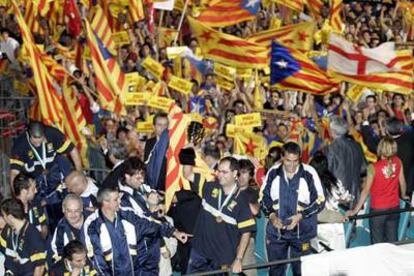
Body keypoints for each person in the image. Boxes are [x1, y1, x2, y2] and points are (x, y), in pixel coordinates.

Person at [83, 187, 190, 275]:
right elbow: (96, 258)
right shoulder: (92, 224)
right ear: (105, 203)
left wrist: (175, 233)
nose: (120, 201)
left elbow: (150, 225)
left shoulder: (127, 214)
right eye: (116, 199)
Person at [180, 152, 256, 274]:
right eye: (219, 171)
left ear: (235, 174)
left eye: (224, 172)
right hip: (199, 252)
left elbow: (246, 232)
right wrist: (189, 149)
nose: (219, 175)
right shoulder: (209, 187)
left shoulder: (242, 201)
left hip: (222, 259)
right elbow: (187, 174)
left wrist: (239, 258)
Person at [261, 142, 325, 276]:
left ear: (300, 158)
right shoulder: (273, 172)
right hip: (276, 233)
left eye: (295, 161)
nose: (292, 165)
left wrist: (300, 216)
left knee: (302, 271)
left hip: (302, 233)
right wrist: (272, 216)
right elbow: (263, 197)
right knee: (276, 271)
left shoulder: (309, 173)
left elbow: (320, 200)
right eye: (288, 161)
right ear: (282, 158)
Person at [346, 136, 409, 244]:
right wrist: (403, 195)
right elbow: (402, 182)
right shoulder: (398, 161)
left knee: (377, 245)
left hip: (378, 210)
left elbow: (366, 190)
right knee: (393, 242)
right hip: (394, 207)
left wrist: (355, 210)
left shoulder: (373, 167)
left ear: (380, 149)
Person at [10, 121, 82, 194]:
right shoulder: (19, 145)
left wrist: (80, 174)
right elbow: (14, 173)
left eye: (40, 142)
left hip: (54, 170)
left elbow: (72, 149)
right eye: (35, 143)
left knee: (63, 160)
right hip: (34, 178)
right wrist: (17, 197)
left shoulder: (52, 133)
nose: (38, 145)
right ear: (29, 134)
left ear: (44, 134)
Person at [309, 152, 352, 251]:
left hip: (319, 225)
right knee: (337, 256)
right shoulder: (334, 181)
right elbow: (346, 198)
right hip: (336, 223)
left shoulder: (309, 183)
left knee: (322, 257)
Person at [323, 116, 367, 206]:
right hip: (355, 193)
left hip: (338, 195)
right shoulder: (356, 145)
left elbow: (327, 172)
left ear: (333, 131)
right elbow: (364, 168)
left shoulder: (330, 149)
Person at [0, 198, 47, 276]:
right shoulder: (8, 230)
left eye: (3, 215)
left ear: (10, 217)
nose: (2, 218)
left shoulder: (32, 234)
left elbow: (39, 268)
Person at [238, 159, 260, 276]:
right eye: (239, 172)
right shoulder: (228, 190)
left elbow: (255, 211)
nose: (241, 176)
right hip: (228, 236)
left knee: (248, 271)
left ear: (251, 176)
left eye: (245, 173)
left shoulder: (253, 192)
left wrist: (240, 196)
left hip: (247, 237)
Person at [50, 194, 87, 263]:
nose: (73, 215)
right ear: (63, 210)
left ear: (82, 209)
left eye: (76, 210)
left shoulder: (94, 221)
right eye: (69, 211)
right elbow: (59, 256)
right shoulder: (60, 230)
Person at [13, 173, 48, 239]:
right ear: (24, 192)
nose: (36, 191)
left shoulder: (36, 204)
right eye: (33, 188)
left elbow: (44, 227)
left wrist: (39, 242)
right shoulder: (12, 210)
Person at [144, 112, 169, 191]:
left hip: (165, 187)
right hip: (150, 186)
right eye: (159, 125)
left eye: (165, 125)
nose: (163, 128)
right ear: (154, 126)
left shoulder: (172, 144)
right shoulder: (149, 143)